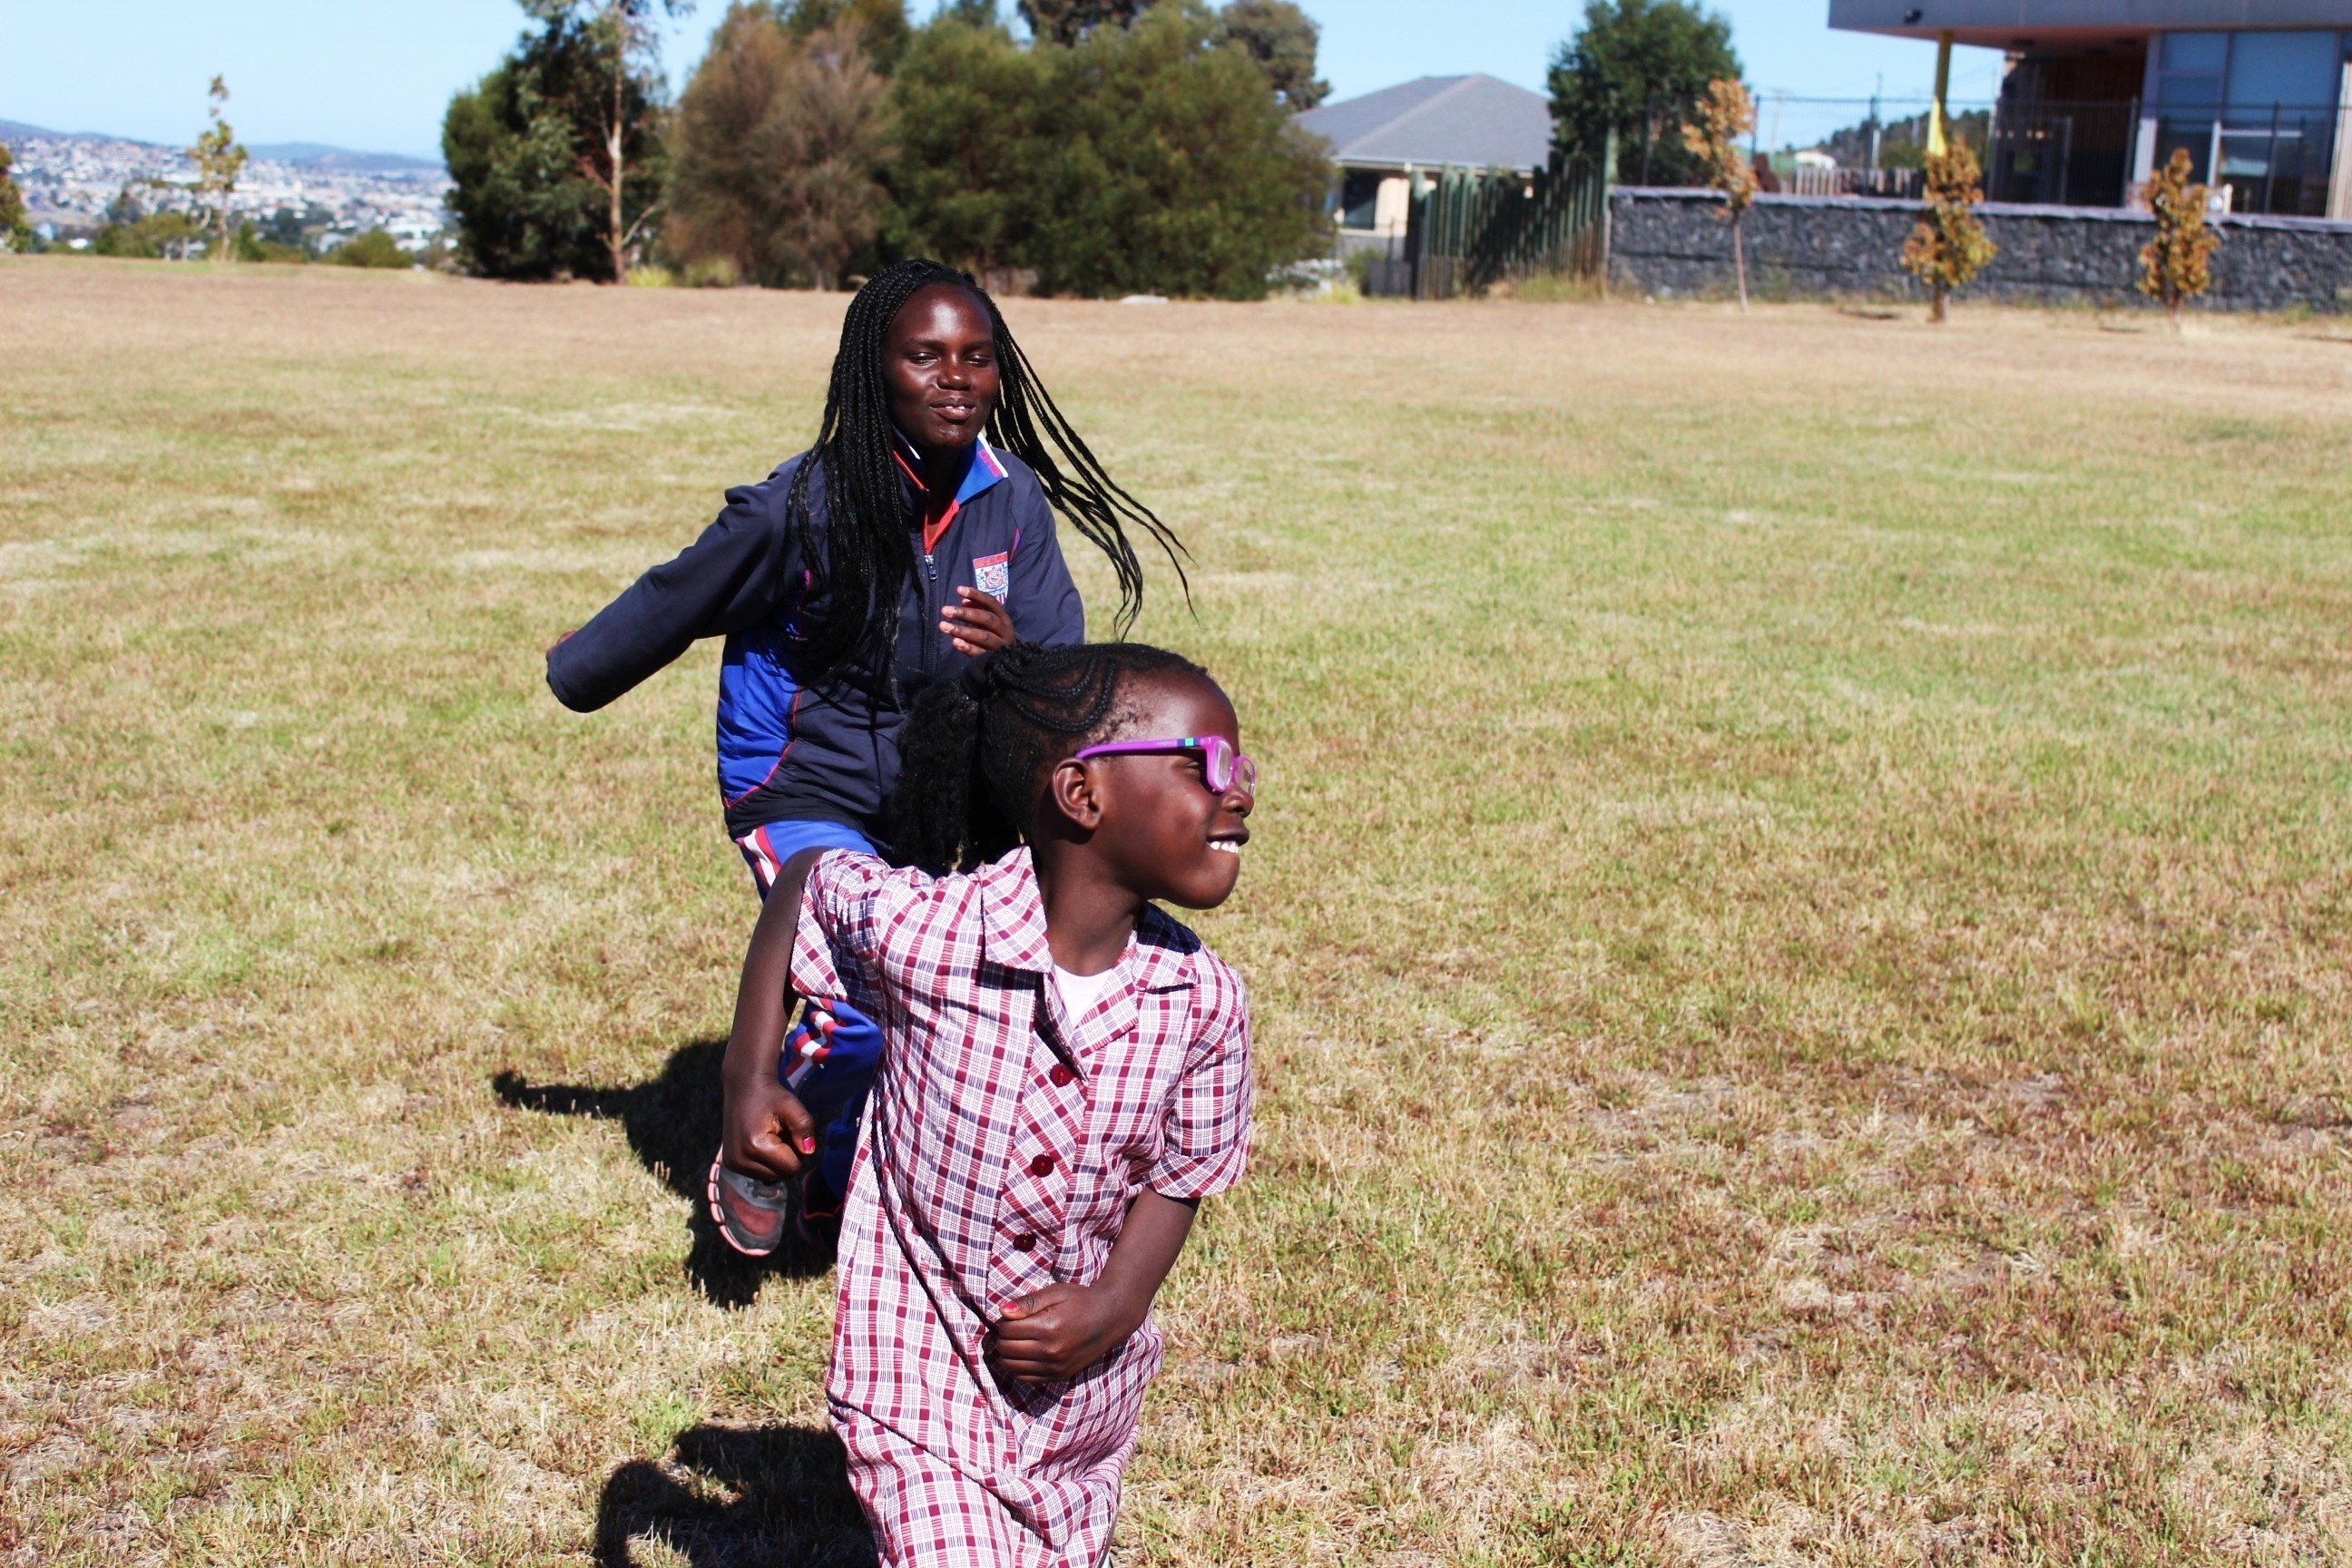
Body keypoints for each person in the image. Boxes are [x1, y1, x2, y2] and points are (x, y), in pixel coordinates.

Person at [544, 260, 1181, 1250]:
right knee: (858, 1001)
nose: (955, 378)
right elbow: (679, 595)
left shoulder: (1011, 500)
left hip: (939, 806)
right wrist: (579, 669)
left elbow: (1066, 681)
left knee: (947, 1003)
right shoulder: (803, 506)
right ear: (873, 369)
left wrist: (1015, 657)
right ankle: (763, 1133)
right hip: (803, 787)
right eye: (925, 355)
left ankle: (836, 1178)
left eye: (978, 357)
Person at [719, 641, 1256, 1566]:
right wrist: (748, 1077)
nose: (1237, 791)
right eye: (1206, 763)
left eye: (1242, 768)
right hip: (915, 1383)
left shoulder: (1203, 1003)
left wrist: (1117, 1303)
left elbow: (1183, 1175)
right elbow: (807, 884)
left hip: (1075, 1415)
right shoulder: (930, 934)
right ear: (1082, 793)